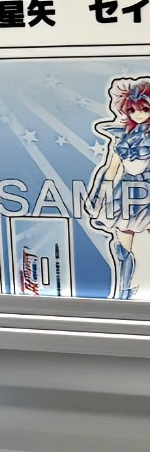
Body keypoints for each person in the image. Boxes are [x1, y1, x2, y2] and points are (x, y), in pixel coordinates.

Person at [86, 76, 150, 300]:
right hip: (125, 193)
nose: (138, 114)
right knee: (123, 247)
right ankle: (123, 292)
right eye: (133, 110)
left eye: (144, 109)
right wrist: (100, 196)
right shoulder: (122, 137)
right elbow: (111, 168)